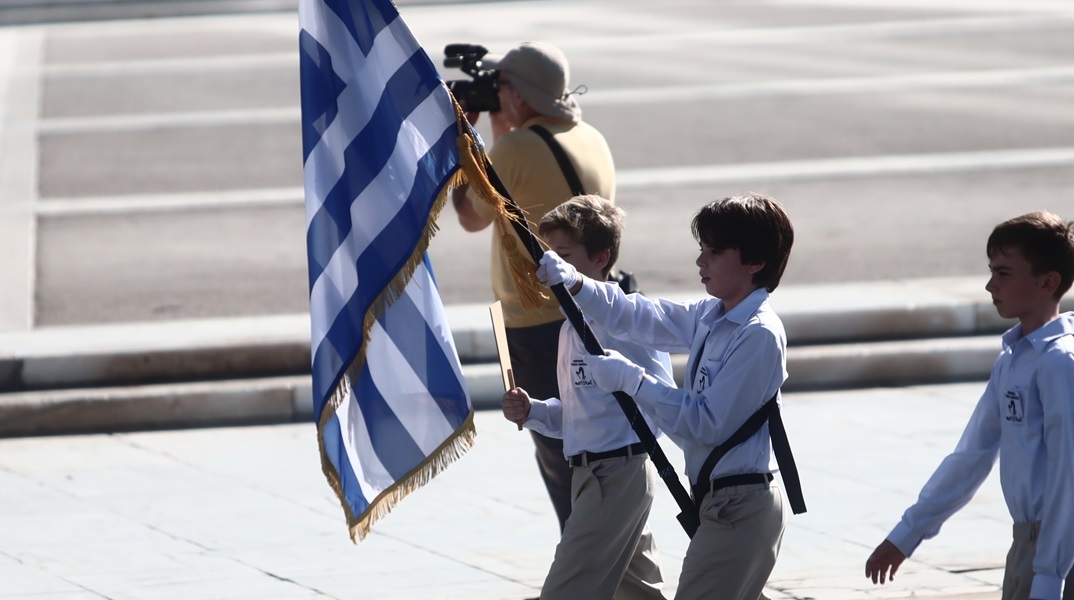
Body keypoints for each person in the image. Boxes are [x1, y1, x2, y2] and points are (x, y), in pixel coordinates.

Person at [537, 193, 798, 600]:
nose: (700, 261)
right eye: (702, 250)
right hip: (719, 502)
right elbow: (638, 315)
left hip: (742, 506)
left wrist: (635, 381)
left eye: (714, 252)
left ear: (755, 263)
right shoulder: (712, 316)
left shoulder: (758, 334)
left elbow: (705, 425)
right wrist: (577, 282)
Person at [865, 211, 1074, 600]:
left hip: (1058, 554)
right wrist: (908, 533)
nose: (990, 285)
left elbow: (1069, 474)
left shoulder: (1059, 363)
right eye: (991, 271)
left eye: (1004, 274)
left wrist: (1050, 575)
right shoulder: (1012, 360)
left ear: (1048, 282)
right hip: (1028, 545)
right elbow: (971, 456)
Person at [451, 41, 615, 532]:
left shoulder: (514, 148)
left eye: (500, 86)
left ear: (519, 96)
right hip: (591, 312)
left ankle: (582, 568)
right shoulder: (590, 137)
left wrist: (464, 135)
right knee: (591, 447)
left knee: (558, 452)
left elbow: (468, 217)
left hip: (535, 320)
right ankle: (604, 561)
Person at [502, 194, 671, 599]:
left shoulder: (628, 319)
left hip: (616, 473)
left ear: (601, 258)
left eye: (563, 254)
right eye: (550, 254)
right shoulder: (568, 328)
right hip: (590, 474)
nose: (549, 266)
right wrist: (535, 411)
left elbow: (662, 400)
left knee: (567, 588)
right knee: (640, 592)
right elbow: (579, 412)